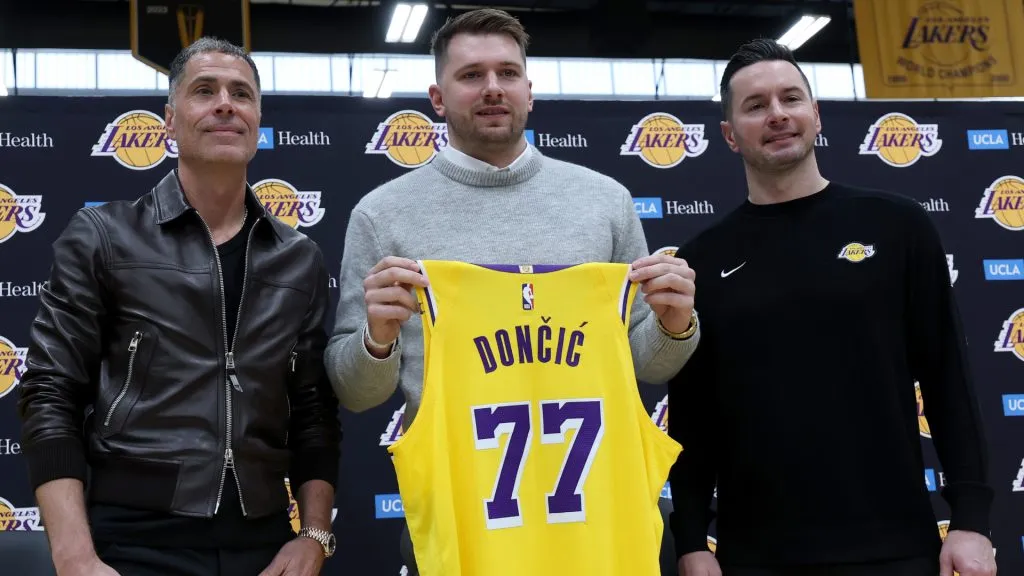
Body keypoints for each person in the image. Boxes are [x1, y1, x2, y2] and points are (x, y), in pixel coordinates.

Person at [325, 8, 698, 574]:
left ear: (530, 90)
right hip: (463, 526)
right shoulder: (382, 215)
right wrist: (376, 340)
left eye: (508, 73)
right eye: (471, 75)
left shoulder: (605, 201)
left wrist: (675, 326)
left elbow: (645, 365)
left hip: (599, 526)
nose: (493, 88)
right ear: (438, 97)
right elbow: (356, 392)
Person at [665, 39, 996, 576]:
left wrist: (972, 520)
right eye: (754, 106)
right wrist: (692, 540)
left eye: (790, 98)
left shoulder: (898, 227)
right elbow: (694, 416)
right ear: (729, 135)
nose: (777, 115)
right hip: (757, 556)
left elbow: (947, 381)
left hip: (896, 547)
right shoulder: (703, 258)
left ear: (815, 115)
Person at [18, 37, 341, 576]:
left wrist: (314, 535)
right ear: (169, 121)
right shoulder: (104, 236)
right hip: (132, 539)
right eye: (204, 90)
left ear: (258, 121)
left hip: (261, 541)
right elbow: (50, 392)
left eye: (241, 93)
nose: (224, 103)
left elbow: (313, 411)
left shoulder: (298, 257)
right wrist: (73, 555)